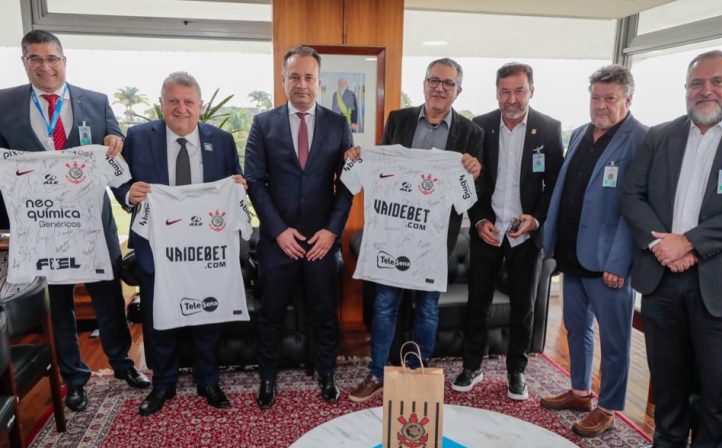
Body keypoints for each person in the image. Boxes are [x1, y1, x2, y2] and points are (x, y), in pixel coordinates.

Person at [620, 51, 722, 448]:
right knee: (667, 371)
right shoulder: (660, 136)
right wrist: (663, 247)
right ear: (686, 89)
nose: (706, 90)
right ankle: (668, 442)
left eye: (717, 81)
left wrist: (688, 243)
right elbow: (631, 196)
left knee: (718, 379)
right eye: (696, 83)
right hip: (662, 274)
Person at [0, 29, 149, 412]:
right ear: (24, 62)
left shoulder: (96, 102)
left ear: (64, 61)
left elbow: (113, 147)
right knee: (59, 304)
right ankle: (75, 378)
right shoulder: (3, 103)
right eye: (35, 58)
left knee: (108, 296)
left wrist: (114, 143)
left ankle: (122, 364)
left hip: (92, 222)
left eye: (52, 58)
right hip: (42, 225)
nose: (45, 66)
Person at [347, 57, 483, 403]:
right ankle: (377, 373)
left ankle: (416, 376)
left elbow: (471, 192)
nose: (440, 88)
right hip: (393, 235)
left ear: (458, 91)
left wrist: (474, 171)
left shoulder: (472, 133)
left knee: (427, 309)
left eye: (448, 83)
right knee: (384, 306)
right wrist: (361, 157)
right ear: (424, 84)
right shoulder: (399, 119)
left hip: (434, 240)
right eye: (434, 80)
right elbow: (382, 166)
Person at [114, 71, 244, 416]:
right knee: (159, 317)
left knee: (208, 317)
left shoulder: (222, 140)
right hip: (156, 248)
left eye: (188, 102)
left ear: (200, 105)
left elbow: (236, 179)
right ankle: (163, 383)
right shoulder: (138, 137)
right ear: (162, 103)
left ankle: (208, 381)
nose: (181, 108)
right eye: (173, 101)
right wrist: (127, 193)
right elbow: (119, 180)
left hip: (206, 249)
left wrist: (238, 186)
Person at [540, 65, 647, 437]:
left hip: (609, 263)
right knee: (576, 327)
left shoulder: (641, 139)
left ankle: (608, 407)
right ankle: (581, 392)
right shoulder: (581, 133)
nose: (600, 104)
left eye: (609, 98)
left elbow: (637, 207)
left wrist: (621, 261)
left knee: (615, 340)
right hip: (573, 253)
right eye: (595, 97)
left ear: (627, 100)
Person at [245, 45, 353, 409]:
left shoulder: (338, 125)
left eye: (309, 77)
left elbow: (348, 184)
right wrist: (278, 231)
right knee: (270, 315)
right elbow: (255, 182)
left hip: (322, 241)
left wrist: (332, 231)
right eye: (295, 77)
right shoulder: (263, 124)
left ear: (320, 82)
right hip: (278, 242)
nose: (302, 84)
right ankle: (267, 378)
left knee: (325, 314)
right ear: (283, 80)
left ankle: (327, 374)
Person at [450, 63, 563, 401]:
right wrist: (478, 219)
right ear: (497, 92)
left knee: (523, 306)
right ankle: (472, 366)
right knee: (478, 303)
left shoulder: (548, 128)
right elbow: (469, 181)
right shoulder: (481, 126)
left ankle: (517, 370)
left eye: (519, 91)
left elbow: (554, 184)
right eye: (505, 91)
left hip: (525, 233)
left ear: (531, 91)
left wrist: (536, 220)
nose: (511, 99)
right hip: (489, 229)